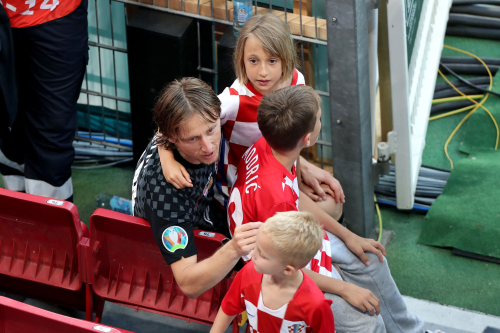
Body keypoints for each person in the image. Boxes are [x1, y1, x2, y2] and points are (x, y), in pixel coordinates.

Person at [228, 85, 424, 333]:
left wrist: (348, 235)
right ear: (308, 139)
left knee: (372, 260)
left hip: (288, 242)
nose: (321, 120)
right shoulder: (277, 202)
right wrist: (344, 287)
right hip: (272, 267)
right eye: (319, 118)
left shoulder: (269, 145)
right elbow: (288, 268)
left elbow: (295, 199)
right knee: (366, 322)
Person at [157, 13, 344, 220]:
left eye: (272, 60)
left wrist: (300, 171)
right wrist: (166, 159)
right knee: (328, 211)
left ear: (286, 59)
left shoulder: (296, 80)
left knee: (333, 202)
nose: (263, 72)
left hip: (280, 174)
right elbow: (178, 118)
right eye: (253, 61)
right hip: (245, 190)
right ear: (241, 60)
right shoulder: (232, 101)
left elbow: (287, 140)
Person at [132, 78, 261, 298]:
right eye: (193, 139)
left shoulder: (192, 117)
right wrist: (234, 248)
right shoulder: (167, 197)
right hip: (205, 241)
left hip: (212, 208)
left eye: (211, 130)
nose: (208, 147)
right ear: (172, 138)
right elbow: (189, 284)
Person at [0, 0, 88, 201]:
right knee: (6, 127)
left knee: (52, 133)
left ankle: (52, 227)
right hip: (3, 15)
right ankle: (18, 218)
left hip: (57, 14)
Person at [210, 211, 335, 333]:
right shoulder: (248, 273)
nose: (252, 254)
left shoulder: (316, 305)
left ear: (287, 269)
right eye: (256, 246)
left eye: (262, 255)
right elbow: (228, 308)